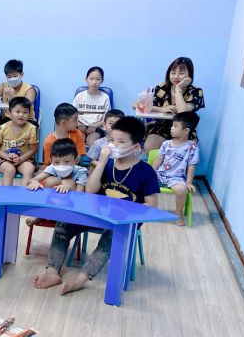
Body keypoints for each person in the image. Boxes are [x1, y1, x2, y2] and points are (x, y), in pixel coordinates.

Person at [33, 117, 159, 295]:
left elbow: (151, 205)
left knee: (111, 237)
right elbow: (91, 191)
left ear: (136, 147)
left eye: (121, 142)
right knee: (63, 223)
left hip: (123, 221)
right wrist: (101, 163)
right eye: (112, 140)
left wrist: (125, 214)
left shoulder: (146, 171)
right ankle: (52, 271)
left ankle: (81, 279)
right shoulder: (107, 164)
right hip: (97, 214)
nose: (114, 145)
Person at [134, 57, 204, 152]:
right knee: (150, 146)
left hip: (183, 131)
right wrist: (161, 109)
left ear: (189, 75)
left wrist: (178, 89)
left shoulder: (195, 91)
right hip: (162, 128)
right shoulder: (162, 87)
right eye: (173, 73)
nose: (176, 77)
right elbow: (137, 105)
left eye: (181, 73)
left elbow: (183, 113)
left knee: (180, 152)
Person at [151, 111, 200, 226]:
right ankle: (147, 209)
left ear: (186, 130)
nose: (171, 128)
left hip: (176, 178)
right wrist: (150, 172)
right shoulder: (166, 144)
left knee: (182, 190)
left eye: (175, 126)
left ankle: (178, 213)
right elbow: (158, 160)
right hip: (160, 174)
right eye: (172, 125)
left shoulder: (192, 147)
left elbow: (191, 165)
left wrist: (189, 182)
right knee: (141, 182)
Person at [0, 97, 38, 186]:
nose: (21, 115)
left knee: (29, 168)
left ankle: (24, 192)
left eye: (25, 112)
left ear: (29, 114)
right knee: (9, 170)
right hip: (4, 159)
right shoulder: (2, 128)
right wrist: (6, 156)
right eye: (17, 112)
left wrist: (21, 159)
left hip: (24, 159)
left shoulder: (32, 129)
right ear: (9, 113)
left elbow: (34, 149)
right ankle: (8, 193)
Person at [0, 59, 38, 131]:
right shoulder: (4, 86)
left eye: (15, 76)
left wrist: (12, 97)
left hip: (26, 119)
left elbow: (26, 106)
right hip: (7, 118)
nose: (12, 79)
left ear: (21, 74)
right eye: (9, 77)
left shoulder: (30, 90)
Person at [73, 66, 111, 146]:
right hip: (80, 126)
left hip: (97, 127)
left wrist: (95, 126)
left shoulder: (105, 97)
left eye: (98, 79)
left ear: (102, 81)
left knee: (92, 141)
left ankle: (92, 155)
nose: (94, 82)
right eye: (91, 79)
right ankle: (78, 155)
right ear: (86, 79)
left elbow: (107, 118)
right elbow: (72, 115)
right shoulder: (79, 96)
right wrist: (79, 124)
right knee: (79, 139)